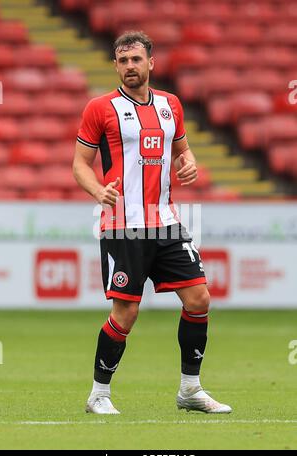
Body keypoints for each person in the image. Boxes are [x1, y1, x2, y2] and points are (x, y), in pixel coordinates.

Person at [73, 31, 231, 415]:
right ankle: (99, 394)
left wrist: (188, 163)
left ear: (151, 63)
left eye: (136, 60)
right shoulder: (100, 108)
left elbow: (182, 150)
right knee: (125, 313)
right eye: (123, 60)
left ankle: (190, 390)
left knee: (199, 298)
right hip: (122, 224)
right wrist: (98, 192)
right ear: (115, 65)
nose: (130, 67)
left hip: (166, 220)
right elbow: (80, 164)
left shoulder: (170, 105)